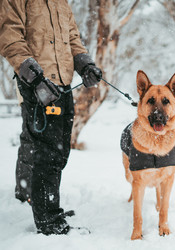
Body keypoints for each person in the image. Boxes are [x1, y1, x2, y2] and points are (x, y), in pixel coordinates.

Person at [0, 0, 102, 235]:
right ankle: (48, 220)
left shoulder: (60, 2)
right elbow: (9, 35)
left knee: (59, 152)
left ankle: (46, 206)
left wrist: (85, 64)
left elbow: (72, 38)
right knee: (45, 153)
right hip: (38, 83)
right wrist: (32, 73)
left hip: (63, 85)